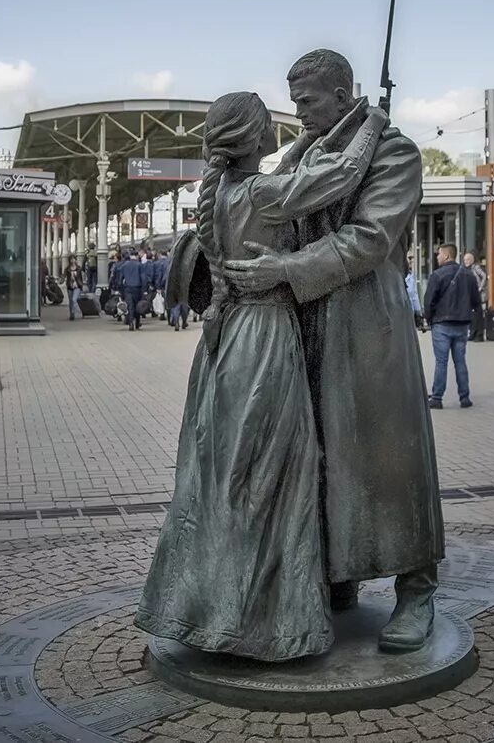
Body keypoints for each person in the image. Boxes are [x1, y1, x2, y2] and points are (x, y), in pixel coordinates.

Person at [136, 91, 388, 661]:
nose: (282, 131)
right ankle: (264, 624)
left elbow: (288, 169)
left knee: (223, 472)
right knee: (273, 474)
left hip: (225, 344)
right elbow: (343, 174)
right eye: (268, 128)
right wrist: (370, 119)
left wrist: (304, 141)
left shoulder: (225, 193)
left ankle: (210, 607)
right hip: (265, 340)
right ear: (254, 140)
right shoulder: (261, 194)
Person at [223, 49, 442, 653]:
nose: (299, 114)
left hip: (368, 328)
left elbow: (369, 239)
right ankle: (336, 571)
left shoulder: (394, 153)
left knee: (386, 456)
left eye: (308, 102)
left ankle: (416, 585)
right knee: (318, 455)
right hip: (306, 322)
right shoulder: (303, 156)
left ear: (344, 94)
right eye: (293, 103)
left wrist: (284, 270)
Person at [424, 243, 481, 410]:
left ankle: (437, 398)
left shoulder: (437, 275)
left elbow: (429, 302)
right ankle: (465, 397)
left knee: (441, 362)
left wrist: (429, 319)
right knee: (460, 361)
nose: (437, 257)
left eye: (439, 254)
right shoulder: (468, 275)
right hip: (462, 325)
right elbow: (476, 301)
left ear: (447, 256)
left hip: (442, 324)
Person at [404, 255, 423, 330]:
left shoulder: (411, 276)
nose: (410, 261)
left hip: (409, 312)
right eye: (409, 258)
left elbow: (414, 295)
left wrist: (418, 313)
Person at [65, 256, 85, 320]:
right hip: (70, 286)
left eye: (74, 259)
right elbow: (64, 276)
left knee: (74, 299)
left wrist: (81, 286)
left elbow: (81, 278)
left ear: (75, 260)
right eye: (71, 259)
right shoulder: (67, 268)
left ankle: (75, 311)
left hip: (77, 286)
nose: (72, 260)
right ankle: (72, 314)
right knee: (71, 301)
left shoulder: (79, 268)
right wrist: (61, 280)